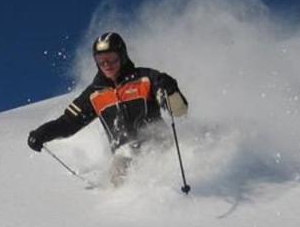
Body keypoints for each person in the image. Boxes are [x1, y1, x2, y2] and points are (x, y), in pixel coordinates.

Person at [27, 32, 188, 162]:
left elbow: (180, 111)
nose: (107, 65)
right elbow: (68, 123)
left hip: (160, 148)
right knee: (118, 173)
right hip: (125, 156)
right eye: (101, 60)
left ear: (122, 56)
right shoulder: (94, 94)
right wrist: (42, 133)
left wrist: (171, 89)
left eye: (111, 58)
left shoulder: (146, 78)